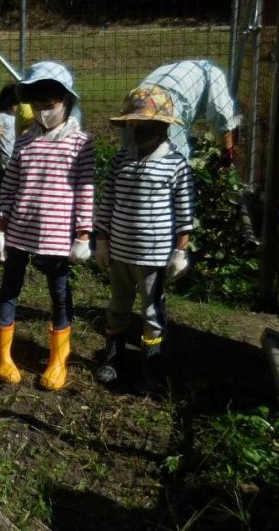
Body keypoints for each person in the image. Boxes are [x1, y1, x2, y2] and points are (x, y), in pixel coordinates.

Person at [0, 61, 94, 391]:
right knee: (10, 287)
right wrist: (0, 227)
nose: (43, 111)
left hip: (57, 234)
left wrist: (83, 233)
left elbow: (85, 189)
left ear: (67, 101)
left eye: (50, 104)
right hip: (20, 227)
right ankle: (2, 356)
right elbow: (10, 186)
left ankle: (58, 360)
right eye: (37, 105)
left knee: (59, 292)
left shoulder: (80, 143)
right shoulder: (24, 140)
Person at [95, 85, 195, 395]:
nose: (137, 130)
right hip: (120, 252)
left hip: (153, 256)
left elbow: (185, 212)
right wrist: (101, 239)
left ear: (163, 126)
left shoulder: (176, 165)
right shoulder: (120, 160)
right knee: (118, 305)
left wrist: (181, 251)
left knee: (152, 312)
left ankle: (150, 368)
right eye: (132, 124)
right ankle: (113, 358)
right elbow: (107, 200)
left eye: (144, 124)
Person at [124, 60, 239, 161]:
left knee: (129, 152)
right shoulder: (215, 74)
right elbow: (222, 113)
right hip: (167, 99)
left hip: (139, 96)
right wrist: (227, 152)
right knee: (175, 155)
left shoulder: (190, 68)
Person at [0, 83, 19, 188]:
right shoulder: (2, 116)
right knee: (1, 184)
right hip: (4, 159)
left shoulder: (18, 117)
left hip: (15, 157)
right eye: (17, 104)